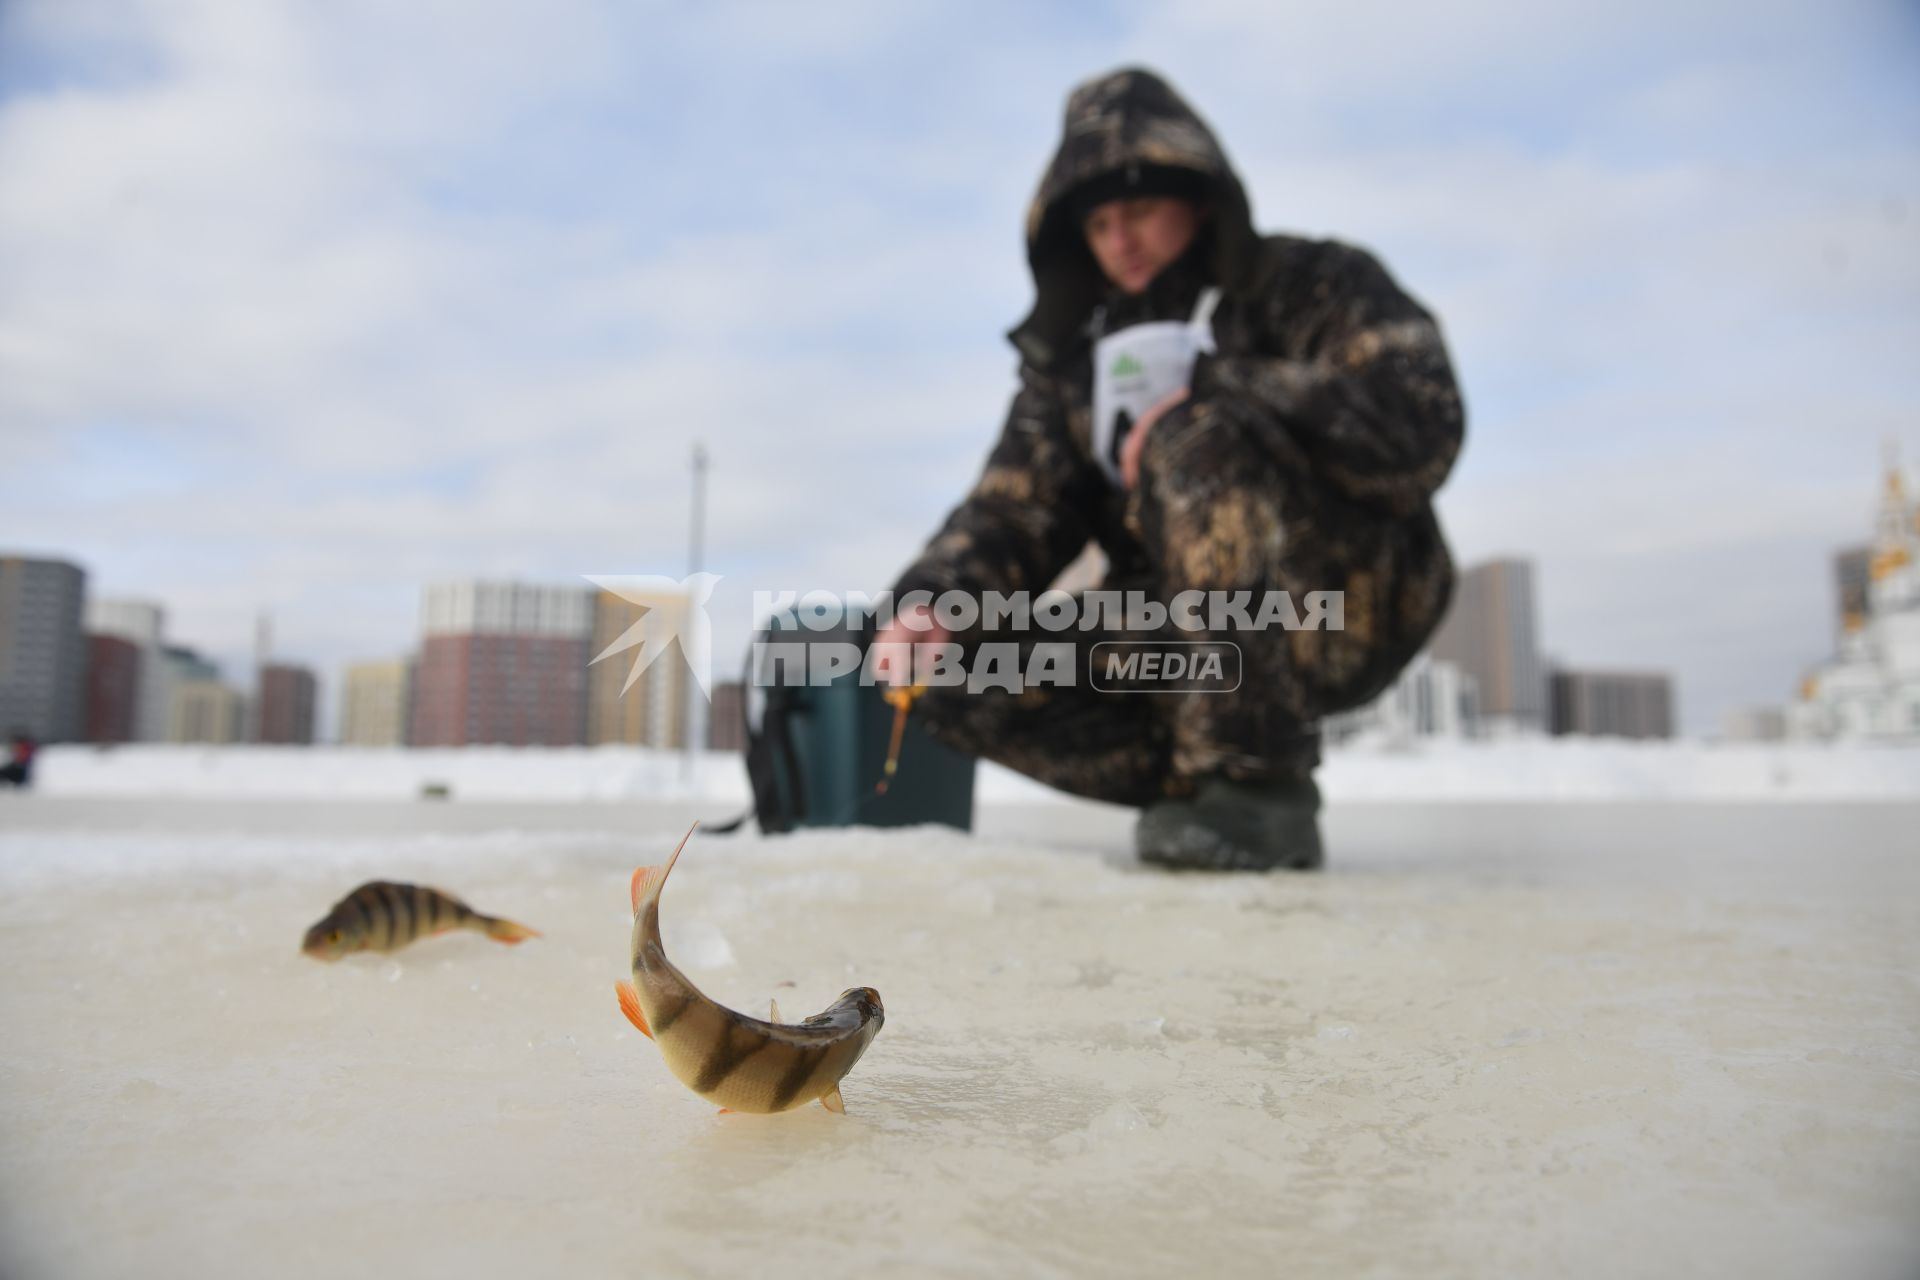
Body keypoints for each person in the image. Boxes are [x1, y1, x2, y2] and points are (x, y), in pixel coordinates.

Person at [876, 67, 1463, 870]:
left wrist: (1223, 388)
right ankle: (1198, 782)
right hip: (1178, 630)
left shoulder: (1313, 283)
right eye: (1101, 224)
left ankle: (1257, 791)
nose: (1121, 241)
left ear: (1199, 200)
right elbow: (1015, 507)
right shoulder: (1072, 364)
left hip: (1344, 598)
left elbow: (1421, 421)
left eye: (1142, 212)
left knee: (1195, 434)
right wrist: (931, 601)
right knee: (950, 662)